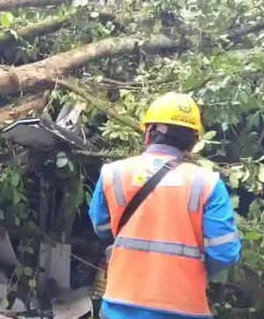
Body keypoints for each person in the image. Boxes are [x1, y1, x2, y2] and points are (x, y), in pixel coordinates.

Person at [89, 92, 241, 319]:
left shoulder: (113, 173)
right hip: (184, 309)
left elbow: (101, 229)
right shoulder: (208, 183)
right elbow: (225, 253)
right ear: (193, 141)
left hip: (120, 306)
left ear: (148, 132)